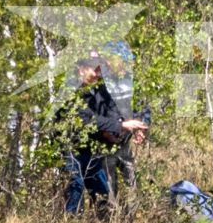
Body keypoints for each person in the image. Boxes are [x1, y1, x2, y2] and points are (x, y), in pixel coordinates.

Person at [59, 54, 148, 214]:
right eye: (96, 69)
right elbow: (86, 120)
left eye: (100, 68)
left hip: (92, 149)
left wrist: (132, 126)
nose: (99, 73)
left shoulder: (99, 88)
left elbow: (111, 110)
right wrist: (120, 125)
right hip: (72, 148)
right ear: (81, 70)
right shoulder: (70, 90)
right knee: (75, 186)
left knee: (103, 194)